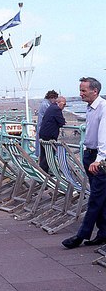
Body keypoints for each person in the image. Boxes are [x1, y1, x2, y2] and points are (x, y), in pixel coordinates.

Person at [63, 78, 106, 249]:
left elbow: (104, 136)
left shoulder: (103, 107)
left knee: (95, 198)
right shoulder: (90, 108)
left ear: (94, 91)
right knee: (101, 198)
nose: (80, 94)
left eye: (83, 91)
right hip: (90, 155)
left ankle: (82, 235)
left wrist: (99, 159)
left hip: (98, 158)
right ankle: (103, 233)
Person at [38, 96, 66, 173]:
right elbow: (62, 122)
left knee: (44, 154)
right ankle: (45, 173)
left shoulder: (51, 107)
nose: (64, 106)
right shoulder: (57, 109)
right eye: (64, 104)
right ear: (59, 102)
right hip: (50, 136)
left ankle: (42, 173)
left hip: (43, 134)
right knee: (49, 155)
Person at [35, 90, 59, 159]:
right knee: (45, 151)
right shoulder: (46, 105)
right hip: (45, 130)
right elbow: (51, 115)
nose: (56, 101)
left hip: (41, 128)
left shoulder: (44, 103)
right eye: (55, 99)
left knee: (43, 151)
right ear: (52, 97)